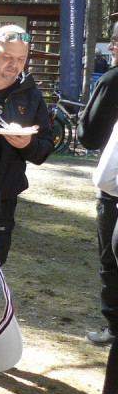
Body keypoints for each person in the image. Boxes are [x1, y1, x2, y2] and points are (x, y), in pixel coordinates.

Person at [0, 25, 53, 266]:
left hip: (2, 196)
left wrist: (27, 143)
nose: (14, 64)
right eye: (7, 57)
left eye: (21, 59)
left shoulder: (30, 94)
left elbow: (44, 149)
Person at [79, 21, 118, 348]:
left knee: (111, 258)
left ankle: (115, 326)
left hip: (114, 188)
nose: (112, 47)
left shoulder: (112, 80)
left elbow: (88, 134)